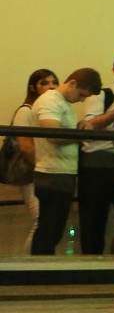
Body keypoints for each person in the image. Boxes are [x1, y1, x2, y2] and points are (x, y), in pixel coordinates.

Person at [30, 69, 103, 255]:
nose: (81, 100)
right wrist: (80, 135)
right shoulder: (50, 100)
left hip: (60, 172)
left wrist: (79, 128)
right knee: (49, 230)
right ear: (72, 83)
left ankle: (41, 271)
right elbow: (52, 133)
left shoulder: (62, 103)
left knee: (53, 229)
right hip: (52, 173)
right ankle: (39, 274)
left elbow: (61, 132)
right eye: (81, 94)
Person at [75, 53, 114, 254]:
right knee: (93, 222)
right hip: (96, 167)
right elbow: (90, 127)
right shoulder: (101, 95)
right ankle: (90, 272)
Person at [10, 70, 57, 254]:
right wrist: (42, 167)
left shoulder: (45, 111)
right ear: (33, 87)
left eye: (54, 82)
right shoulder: (26, 111)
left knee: (45, 220)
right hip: (32, 174)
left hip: (42, 172)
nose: (51, 86)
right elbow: (25, 145)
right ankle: (28, 263)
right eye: (45, 83)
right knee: (40, 219)